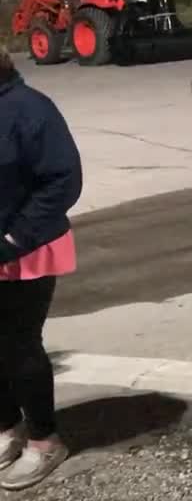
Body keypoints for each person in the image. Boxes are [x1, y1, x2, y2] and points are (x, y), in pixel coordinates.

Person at [0, 46, 82, 491]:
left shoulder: (30, 110)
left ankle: (44, 440)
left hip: (22, 250)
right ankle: (6, 429)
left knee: (18, 346)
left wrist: (14, 239)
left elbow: (63, 180)